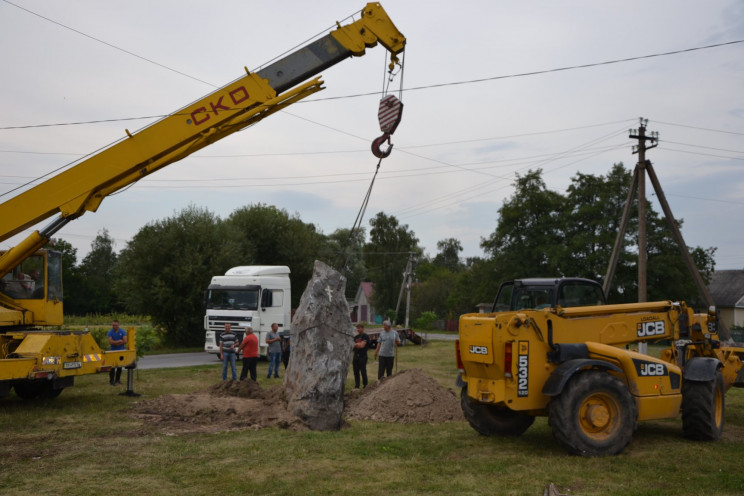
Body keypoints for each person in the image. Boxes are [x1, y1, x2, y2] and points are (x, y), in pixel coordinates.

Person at [107, 320, 127, 386]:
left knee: (119, 366)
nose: (114, 326)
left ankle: (117, 380)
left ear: (118, 325)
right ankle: (111, 381)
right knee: (112, 367)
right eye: (113, 325)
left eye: (116, 325)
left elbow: (125, 341)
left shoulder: (122, 331)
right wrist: (119, 341)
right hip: (113, 351)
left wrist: (115, 342)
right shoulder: (110, 332)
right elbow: (110, 342)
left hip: (121, 351)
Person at [352, 323, 370, 389]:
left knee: (363, 371)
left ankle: (365, 385)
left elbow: (362, 346)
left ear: (362, 328)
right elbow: (352, 346)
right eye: (357, 328)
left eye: (359, 328)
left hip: (363, 356)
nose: (358, 329)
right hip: (356, 356)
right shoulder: (356, 337)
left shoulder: (365, 336)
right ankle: (357, 386)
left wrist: (356, 344)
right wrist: (357, 344)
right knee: (356, 372)